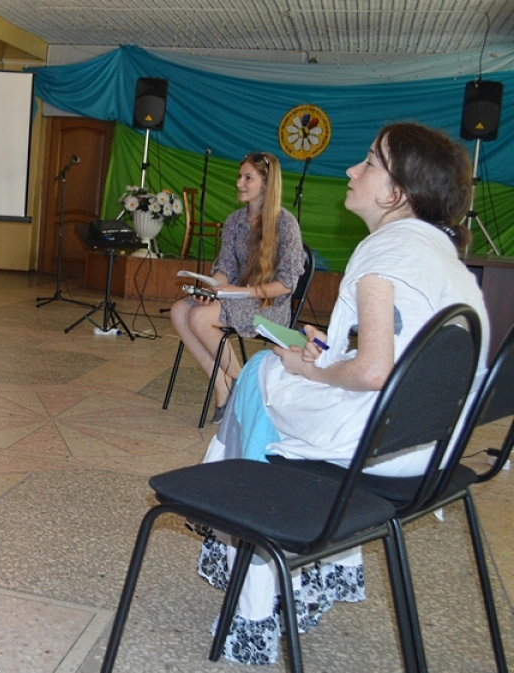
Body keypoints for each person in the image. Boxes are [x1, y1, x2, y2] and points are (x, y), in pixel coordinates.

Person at [196, 123, 489, 665]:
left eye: (370, 162)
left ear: (395, 193)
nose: (353, 171)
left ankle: (255, 580)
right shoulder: (452, 266)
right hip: (430, 456)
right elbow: (405, 356)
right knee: (276, 371)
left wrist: (313, 373)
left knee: (260, 374)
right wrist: (329, 352)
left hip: (367, 455)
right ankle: (313, 573)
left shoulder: (385, 253)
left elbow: (375, 371)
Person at [169, 152, 304, 422]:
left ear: (266, 185)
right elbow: (226, 269)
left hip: (269, 306)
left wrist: (243, 292)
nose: (240, 183)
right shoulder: (234, 221)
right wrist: (211, 289)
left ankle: (243, 385)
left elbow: (286, 284)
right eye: (239, 176)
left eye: (248, 178)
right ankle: (223, 387)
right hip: (236, 297)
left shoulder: (286, 224)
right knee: (178, 311)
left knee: (198, 317)